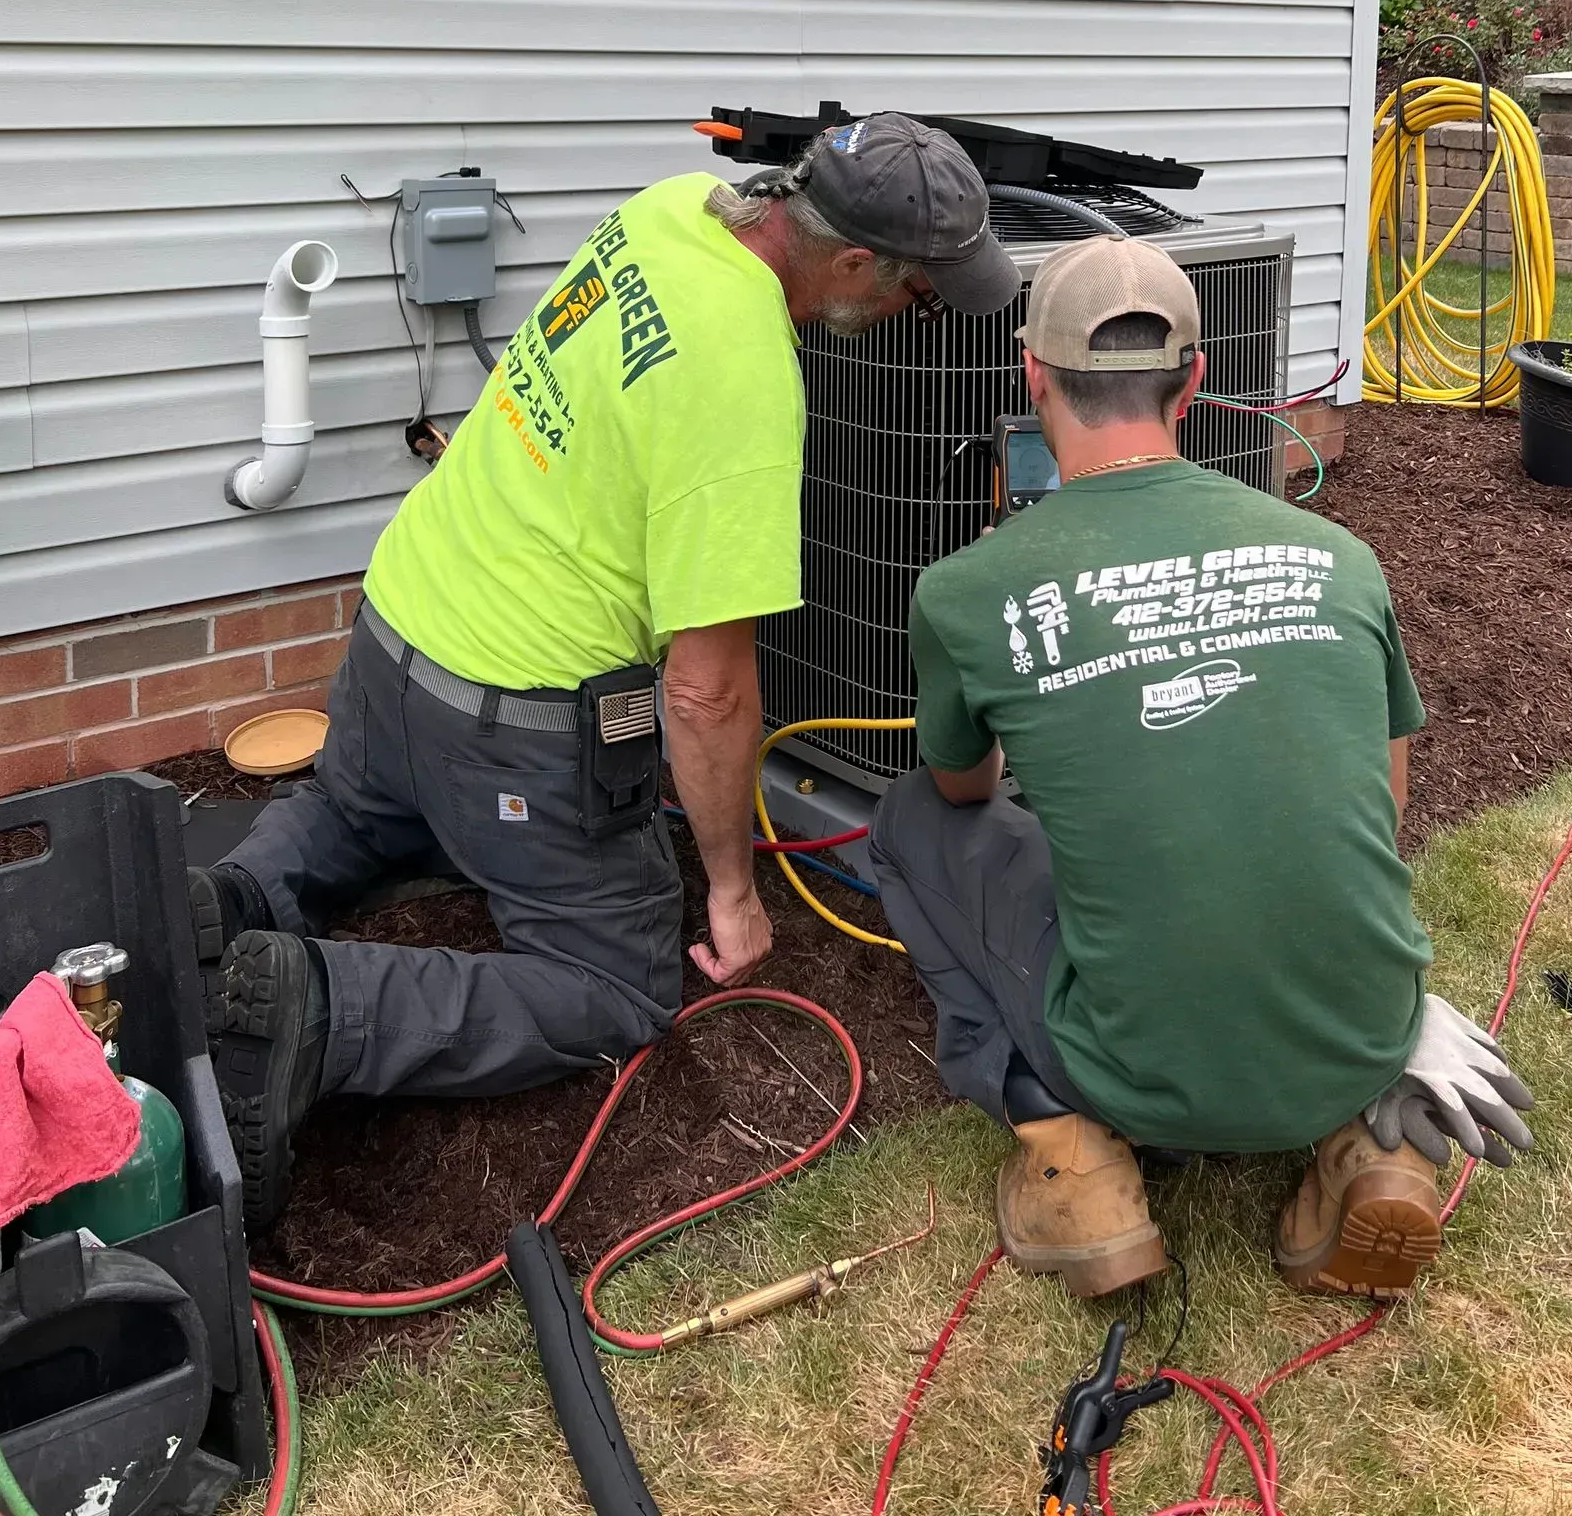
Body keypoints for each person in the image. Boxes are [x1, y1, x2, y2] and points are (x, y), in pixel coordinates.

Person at [192, 115, 1019, 1227]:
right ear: (856, 261)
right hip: (511, 712)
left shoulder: (671, 209)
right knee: (613, 986)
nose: (910, 316)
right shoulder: (743, 382)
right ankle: (322, 1009)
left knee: (356, 806)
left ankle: (229, 902)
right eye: (918, 295)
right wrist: (733, 892)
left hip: (396, 626)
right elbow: (705, 691)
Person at [868, 234, 1534, 1303]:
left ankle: (1068, 1153)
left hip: (1138, 1074)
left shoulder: (970, 588)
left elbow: (964, 792)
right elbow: (1383, 804)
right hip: (1363, 1035)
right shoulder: (1339, 557)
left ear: (1032, 373)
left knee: (909, 820)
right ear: (1197, 380)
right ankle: (1367, 1145)